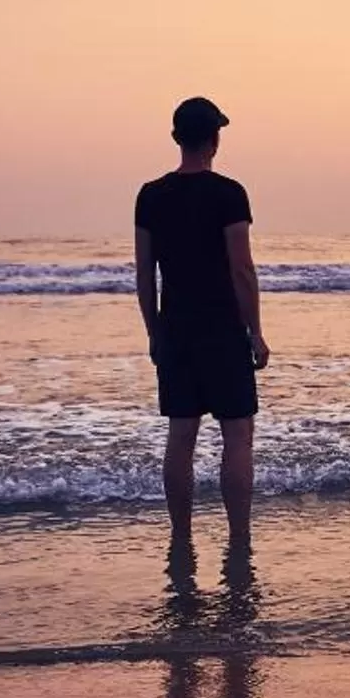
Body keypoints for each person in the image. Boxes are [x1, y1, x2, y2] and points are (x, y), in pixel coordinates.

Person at [135, 97, 270, 543]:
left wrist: (154, 331)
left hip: (176, 327)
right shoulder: (229, 193)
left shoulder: (151, 196)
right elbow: (242, 269)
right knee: (237, 435)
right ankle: (239, 537)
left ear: (177, 138)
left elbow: (144, 272)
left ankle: (181, 536)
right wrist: (256, 332)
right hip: (222, 328)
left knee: (181, 434)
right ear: (214, 139)